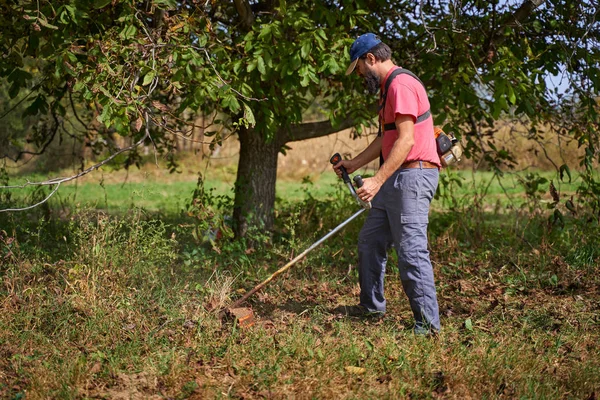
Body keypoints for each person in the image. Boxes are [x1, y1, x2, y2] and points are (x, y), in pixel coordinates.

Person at [332, 33, 441, 335]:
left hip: (412, 176)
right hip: (395, 176)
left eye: (359, 69)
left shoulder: (401, 85)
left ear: (371, 59)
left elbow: (406, 141)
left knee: (411, 251)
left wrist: (377, 180)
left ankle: (428, 326)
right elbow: (386, 138)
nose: (360, 76)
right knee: (370, 242)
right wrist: (354, 165)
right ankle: (370, 308)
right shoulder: (387, 90)